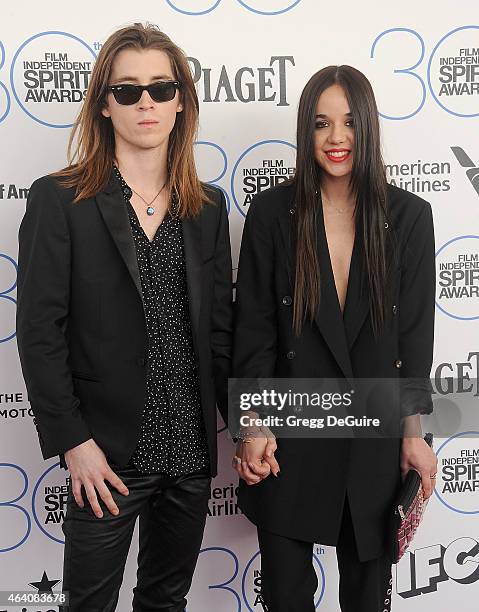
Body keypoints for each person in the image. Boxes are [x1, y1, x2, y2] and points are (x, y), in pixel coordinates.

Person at [16, 23, 232, 612]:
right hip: (104, 458)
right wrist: (73, 443)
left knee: (165, 603)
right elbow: (39, 334)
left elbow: (220, 337)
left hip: (188, 454)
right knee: (89, 604)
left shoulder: (206, 207)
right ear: (104, 104)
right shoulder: (60, 199)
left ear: (180, 101)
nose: (146, 102)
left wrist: (249, 425)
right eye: (128, 89)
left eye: (161, 89)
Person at [232, 65, 438, 612]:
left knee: (368, 602)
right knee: (286, 598)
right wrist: (251, 426)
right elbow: (253, 330)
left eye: (349, 122)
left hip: (373, 440)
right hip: (287, 441)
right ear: (307, 131)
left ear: (367, 126)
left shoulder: (411, 217)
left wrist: (413, 435)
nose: (337, 138)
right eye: (322, 123)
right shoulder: (274, 213)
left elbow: (413, 341)